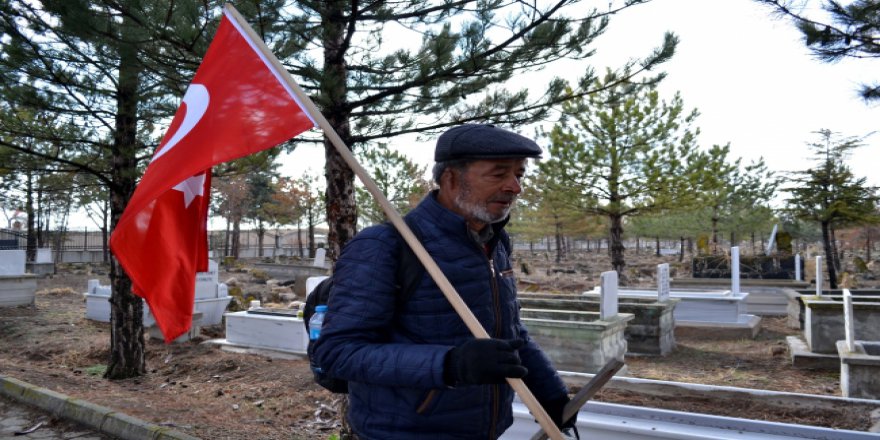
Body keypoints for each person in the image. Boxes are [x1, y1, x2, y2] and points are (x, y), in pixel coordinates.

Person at [312, 124, 576, 439]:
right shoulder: (387, 246)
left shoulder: (494, 243)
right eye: (498, 174)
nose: (515, 187)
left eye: (520, 175)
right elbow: (338, 353)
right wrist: (450, 364)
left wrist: (548, 393)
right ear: (451, 178)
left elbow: (510, 333)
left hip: (483, 430)